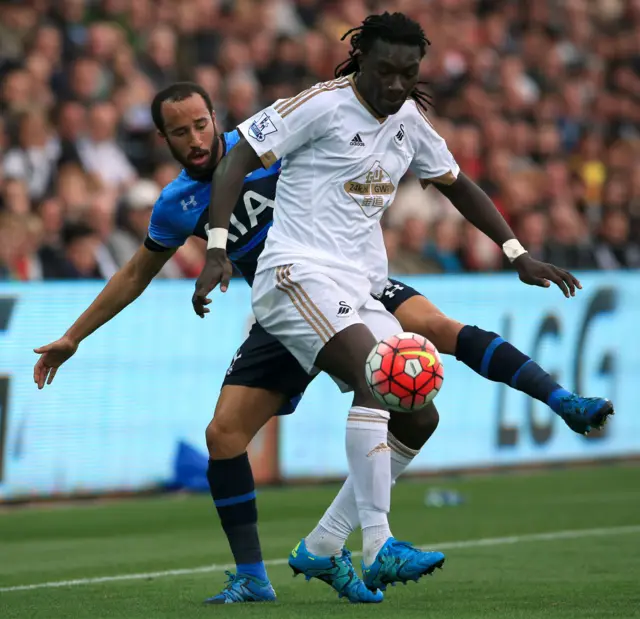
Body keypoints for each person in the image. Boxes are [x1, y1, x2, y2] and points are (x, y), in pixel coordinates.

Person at [34, 79, 612, 605]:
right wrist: (72, 336)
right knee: (224, 436)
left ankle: (559, 398)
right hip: (283, 304)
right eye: (180, 132)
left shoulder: (267, 142)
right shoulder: (174, 204)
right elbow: (136, 272)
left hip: (348, 277)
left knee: (427, 357)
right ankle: (257, 576)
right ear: (161, 138)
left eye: (201, 124)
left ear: (217, 118)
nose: (194, 139)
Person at [193, 13, 614, 603]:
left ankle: (321, 545)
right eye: (385, 71)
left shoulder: (410, 121)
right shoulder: (319, 104)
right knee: (376, 378)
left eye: (407, 73)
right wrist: (215, 247)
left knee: (419, 413)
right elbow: (238, 157)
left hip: (360, 286)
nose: (395, 85)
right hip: (295, 273)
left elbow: (459, 184)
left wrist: (517, 252)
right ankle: (377, 545)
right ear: (360, 58)